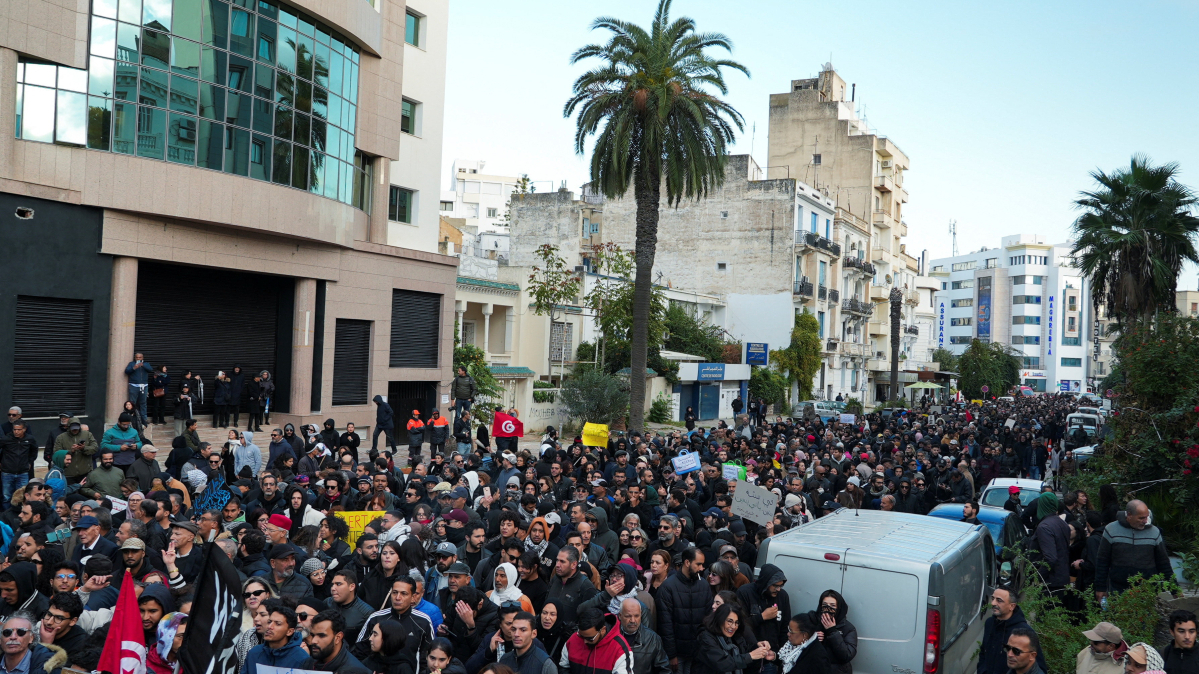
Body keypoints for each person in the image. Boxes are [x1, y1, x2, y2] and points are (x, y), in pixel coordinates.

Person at [1094, 499, 1172, 599]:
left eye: (1147, 517)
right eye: (1141, 518)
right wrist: (1100, 587)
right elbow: (1102, 560)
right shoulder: (1111, 530)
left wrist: (1175, 589)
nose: (1145, 521)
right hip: (1118, 589)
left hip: (1147, 589)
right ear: (1129, 515)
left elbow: (1163, 562)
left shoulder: (1154, 532)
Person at [656, 547, 711, 674]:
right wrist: (671, 654)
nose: (702, 568)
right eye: (698, 564)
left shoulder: (704, 585)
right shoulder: (668, 587)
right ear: (687, 563)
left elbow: (708, 619)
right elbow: (665, 624)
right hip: (677, 654)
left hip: (698, 652)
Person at [978, 586, 1043, 674]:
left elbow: (1038, 667)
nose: (993, 603)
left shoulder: (1025, 632)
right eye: (993, 598)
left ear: (1012, 606)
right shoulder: (990, 623)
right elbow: (983, 652)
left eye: (999, 600)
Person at [693, 603, 771, 674]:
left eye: (736, 622)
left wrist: (758, 648)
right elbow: (721, 663)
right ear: (720, 619)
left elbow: (745, 655)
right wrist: (750, 656)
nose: (733, 626)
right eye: (729, 621)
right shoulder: (705, 637)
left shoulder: (736, 635)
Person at [240, 600, 314, 674]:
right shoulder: (254, 653)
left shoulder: (301, 658)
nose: (270, 626)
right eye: (269, 622)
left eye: (278, 624)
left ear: (289, 631)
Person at [736, 563, 789, 660]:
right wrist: (762, 617)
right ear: (765, 582)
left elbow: (784, 628)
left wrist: (779, 655)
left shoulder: (783, 596)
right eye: (775, 585)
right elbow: (739, 625)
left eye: (781, 586)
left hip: (770, 655)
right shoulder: (745, 593)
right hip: (749, 654)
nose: (778, 589)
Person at [559, 606, 634, 674]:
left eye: (590, 638)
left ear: (603, 630)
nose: (585, 641)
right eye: (582, 636)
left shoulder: (620, 649)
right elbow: (564, 668)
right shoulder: (573, 639)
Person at [545, 546, 597, 627]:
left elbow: (588, 619)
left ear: (574, 564)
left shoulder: (586, 586)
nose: (557, 565)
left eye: (562, 561)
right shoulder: (555, 579)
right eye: (557, 560)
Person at [0, 613, 67, 674]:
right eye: (7, 632)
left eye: (21, 632)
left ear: (31, 638)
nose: (13, 637)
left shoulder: (48, 668)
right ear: (0, 639)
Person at [618, 597, 670, 674]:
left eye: (636, 616)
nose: (632, 620)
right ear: (620, 616)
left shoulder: (652, 639)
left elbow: (664, 669)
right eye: (628, 616)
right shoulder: (611, 637)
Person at [0, 422, 38, 509]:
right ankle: (7, 516)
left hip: (23, 472)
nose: (16, 432)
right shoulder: (6, 439)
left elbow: (34, 450)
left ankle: (21, 515)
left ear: (24, 429)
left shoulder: (30, 439)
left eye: (19, 430)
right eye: (14, 429)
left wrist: (30, 462)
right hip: (7, 472)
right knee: (6, 497)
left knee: (22, 496)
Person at [1161, 610, 1197, 674]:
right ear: (1172, 632)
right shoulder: (1162, 655)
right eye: (1181, 631)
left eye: (1191, 632)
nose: (1187, 636)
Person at [125, 352, 153, 425]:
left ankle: (144, 418)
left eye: (140, 357)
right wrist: (134, 368)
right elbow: (127, 371)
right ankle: (131, 417)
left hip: (143, 386)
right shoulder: (131, 364)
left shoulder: (146, 364)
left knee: (143, 402)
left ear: (142, 358)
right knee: (132, 402)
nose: (138, 359)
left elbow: (150, 370)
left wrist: (143, 365)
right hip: (134, 385)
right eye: (137, 357)